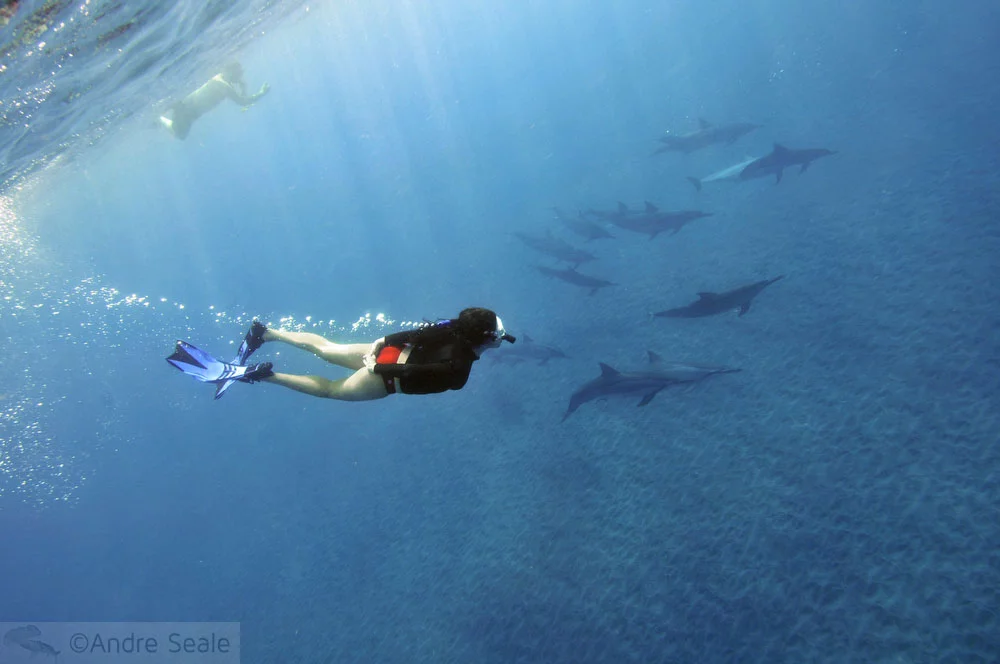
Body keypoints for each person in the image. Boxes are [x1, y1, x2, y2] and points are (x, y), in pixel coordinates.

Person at [166, 308, 516, 402]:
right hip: (388, 373)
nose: (501, 336)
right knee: (332, 390)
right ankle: (264, 375)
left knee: (327, 348)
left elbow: (418, 334)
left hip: (392, 350)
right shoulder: (460, 370)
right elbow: (420, 374)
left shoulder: (453, 326)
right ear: (484, 339)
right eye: (498, 334)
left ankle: (267, 333)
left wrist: (381, 341)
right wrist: (379, 366)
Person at [159, 62, 270, 140]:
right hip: (186, 110)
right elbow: (243, 102)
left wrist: (243, 88)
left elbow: (243, 103)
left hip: (188, 109)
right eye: (238, 73)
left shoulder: (222, 80)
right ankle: (159, 118)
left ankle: (160, 118)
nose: (240, 76)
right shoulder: (224, 85)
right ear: (230, 71)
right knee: (180, 134)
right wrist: (262, 93)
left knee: (180, 134)